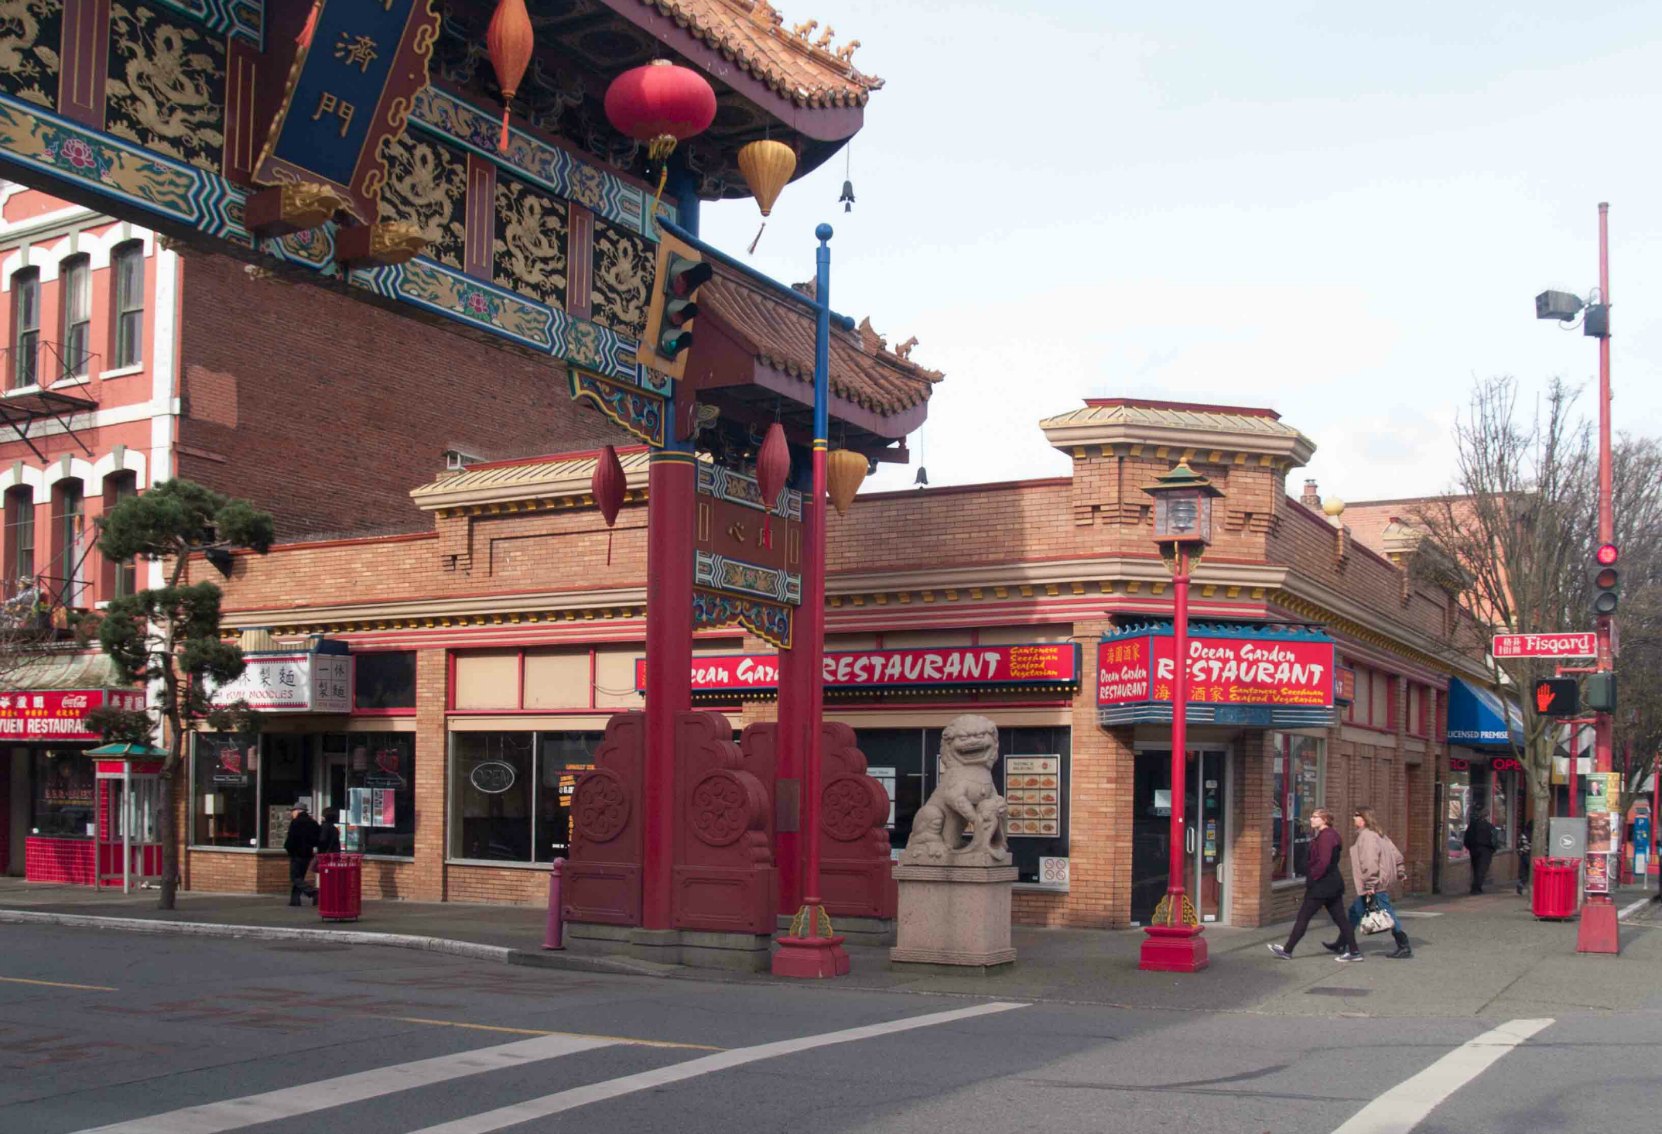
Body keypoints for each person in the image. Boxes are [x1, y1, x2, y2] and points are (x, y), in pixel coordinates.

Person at [1269, 808, 1361, 962]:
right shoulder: (1330, 835)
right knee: (1340, 919)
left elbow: (1324, 862)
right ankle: (1354, 951)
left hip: (1322, 886)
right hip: (1332, 884)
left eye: (1315, 817)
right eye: (1311, 817)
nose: (1311, 819)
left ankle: (1287, 950)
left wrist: (1313, 876)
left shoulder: (1326, 837)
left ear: (1325, 820)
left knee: (1303, 917)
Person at [1328, 807, 1411, 959]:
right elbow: (1397, 856)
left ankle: (1403, 945)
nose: (1353, 818)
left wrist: (1370, 884)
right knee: (1355, 911)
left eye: (1356, 815)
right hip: (1377, 882)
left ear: (1363, 818)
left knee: (1387, 913)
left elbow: (1369, 863)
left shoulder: (1367, 837)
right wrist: (1400, 872)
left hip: (1374, 884)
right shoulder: (1379, 834)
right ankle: (1342, 942)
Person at [284, 799, 320, 907]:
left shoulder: (295, 823)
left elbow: (291, 839)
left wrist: (289, 849)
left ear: (298, 811)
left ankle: (313, 892)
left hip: (297, 853)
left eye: (293, 811)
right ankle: (294, 900)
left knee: (295, 878)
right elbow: (317, 838)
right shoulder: (313, 823)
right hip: (307, 854)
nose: (292, 813)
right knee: (299, 877)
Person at [1464, 808, 1497, 894]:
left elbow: (1466, 838)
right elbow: (1494, 840)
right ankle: (1476, 888)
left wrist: (1470, 847)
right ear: (1487, 816)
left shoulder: (1472, 826)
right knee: (1482, 869)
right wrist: (1493, 849)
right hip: (1485, 849)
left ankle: (1475, 887)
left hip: (1474, 849)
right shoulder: (1489, 827)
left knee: (1475, 868)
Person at [1517, 826, 1532, 895]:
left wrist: (1520, 851)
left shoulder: (1523, 835)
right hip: (1529, 855)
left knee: (1524, 871)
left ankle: (1521, 883)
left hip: (1523, 855)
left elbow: (1519, 845)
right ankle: (1523, 883)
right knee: (1530, 872)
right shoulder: (1533, 836)